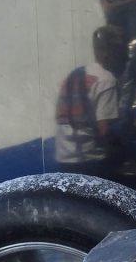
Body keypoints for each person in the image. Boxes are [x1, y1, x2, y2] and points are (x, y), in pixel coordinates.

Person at [54, 25, 127, 176]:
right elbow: (104, 130)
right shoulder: (107, 80)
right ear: (110, 53)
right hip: (90, 161)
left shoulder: (74, 75)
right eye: (122, 53)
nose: (126, 58)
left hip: (63, 158)